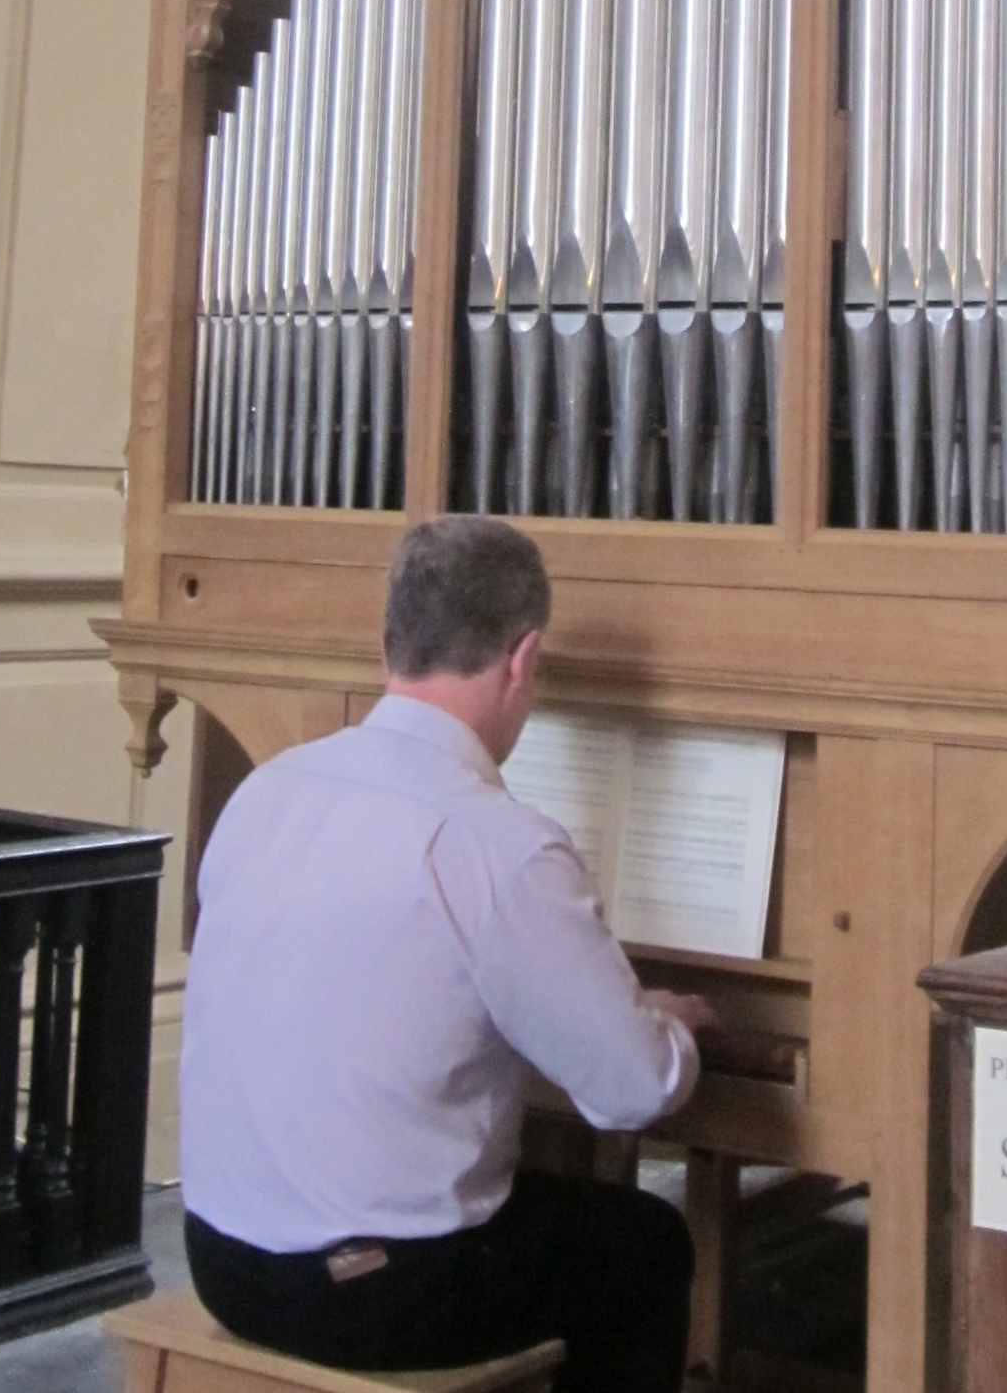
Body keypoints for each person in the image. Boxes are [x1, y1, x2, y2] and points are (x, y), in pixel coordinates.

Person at [179, 514, 710, 1393]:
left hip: (220, 1258)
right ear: (523, 659)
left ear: (390, 643)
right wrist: (669, 1027)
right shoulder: (497, 843)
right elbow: (631, 1091)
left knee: (525, 1198)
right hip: (368, 1290)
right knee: (646, 1246)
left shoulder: (268, 788)